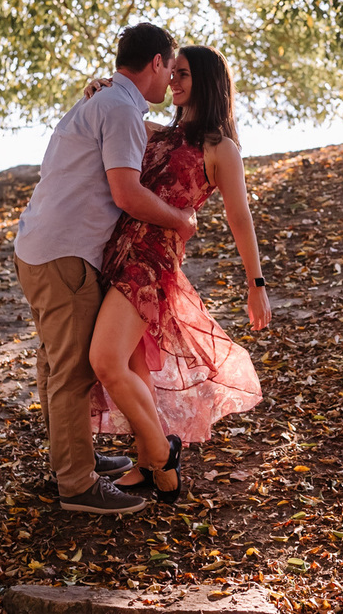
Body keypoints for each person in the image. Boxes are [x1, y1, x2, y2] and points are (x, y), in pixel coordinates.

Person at [13, 23, 197, 515]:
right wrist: (180, 219)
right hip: (65, 257)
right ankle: (76, 484)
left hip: (37, 248)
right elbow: (126, 193)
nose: (169, 82)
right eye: (169, 68)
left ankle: (71, 463)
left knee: (56, 367)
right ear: (156, 63)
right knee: (73, 373)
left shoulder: (102, 102)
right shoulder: (118, 109)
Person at [84, 45, 271, 504]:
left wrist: (256, 283)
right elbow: (115, 119)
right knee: (131, 365)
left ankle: (160, 450)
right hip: (115, 254)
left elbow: (239, 217)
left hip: (151, 264)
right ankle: (149, 466)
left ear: (205, 81)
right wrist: (100, 89)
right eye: (172, 72)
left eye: (183, 74)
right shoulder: (158, 134)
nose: (172, 81)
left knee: (106, 360)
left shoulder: (220, 148)